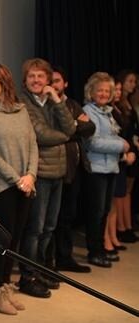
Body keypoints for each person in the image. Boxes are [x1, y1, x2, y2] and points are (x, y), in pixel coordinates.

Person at [0, 61, 38, 315]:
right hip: (2, 185)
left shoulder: (21, 110)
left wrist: (31, 175)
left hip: (25, 184)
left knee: (17, 238)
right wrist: (17, 179)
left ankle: (5, 287)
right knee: (2, 240)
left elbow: (33, 144)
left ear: (4, 81)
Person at [18, 58, 75, 298]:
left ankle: (40, 269)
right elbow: (40, 135)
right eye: (32, 76)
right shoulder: (23, 103)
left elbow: (70, 127)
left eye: (41, 76)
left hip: (58, 172)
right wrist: (66, 135)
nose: (36, 80)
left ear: (48, 80)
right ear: (25, 80)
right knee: (35, 229)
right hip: (38, 173)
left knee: (49, 228)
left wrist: (58, 100)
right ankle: (27, 275)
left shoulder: (53, 101)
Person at [81, 72, 129, 268]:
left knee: (104, 212)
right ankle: (94, 251)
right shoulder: (88, 111)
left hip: (110, 168)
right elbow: (92, 143)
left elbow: (112, 137)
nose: (103, 93)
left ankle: (100, 249)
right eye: (99, 90)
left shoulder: (108, 112)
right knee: (96, 212)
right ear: (91, 92)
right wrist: (121, 145)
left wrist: (122, 143)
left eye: (106, 91)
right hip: (96, 168)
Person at [51, 66, 95, 273]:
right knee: (52, 219)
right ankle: (49, 261)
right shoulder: (48, 105)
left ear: (65, 83)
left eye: (57, 80)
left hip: (75, 169)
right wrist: (75, 126)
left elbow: (90, 127)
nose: (53, 83)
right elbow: (53, 132)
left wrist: (72, 127)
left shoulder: (72, 104)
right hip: (56, 167)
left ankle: (64, 257)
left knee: (67, 216)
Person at [113, 70, 139, 244]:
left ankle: (126, 224)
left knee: (127, 191)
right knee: (120, 193)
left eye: (135, 82)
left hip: (131, 150)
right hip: (122, 153)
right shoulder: (119, 108)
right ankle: (121, 227)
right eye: (130, 81)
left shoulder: (128, 104)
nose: (133, 85)